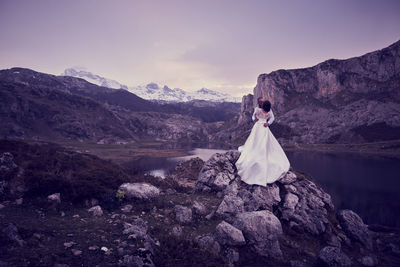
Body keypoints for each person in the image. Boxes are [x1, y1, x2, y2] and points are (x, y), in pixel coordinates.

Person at [235, 100, 290, 186]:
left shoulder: (259, 109)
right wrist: (266, 123)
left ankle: (259, 153)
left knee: (261, 141)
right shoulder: (263, 110)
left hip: (260, 127)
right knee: (257, 140)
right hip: (261, 127)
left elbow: (257, 117)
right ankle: (258, 152)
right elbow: (255, 117)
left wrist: (267, 123)